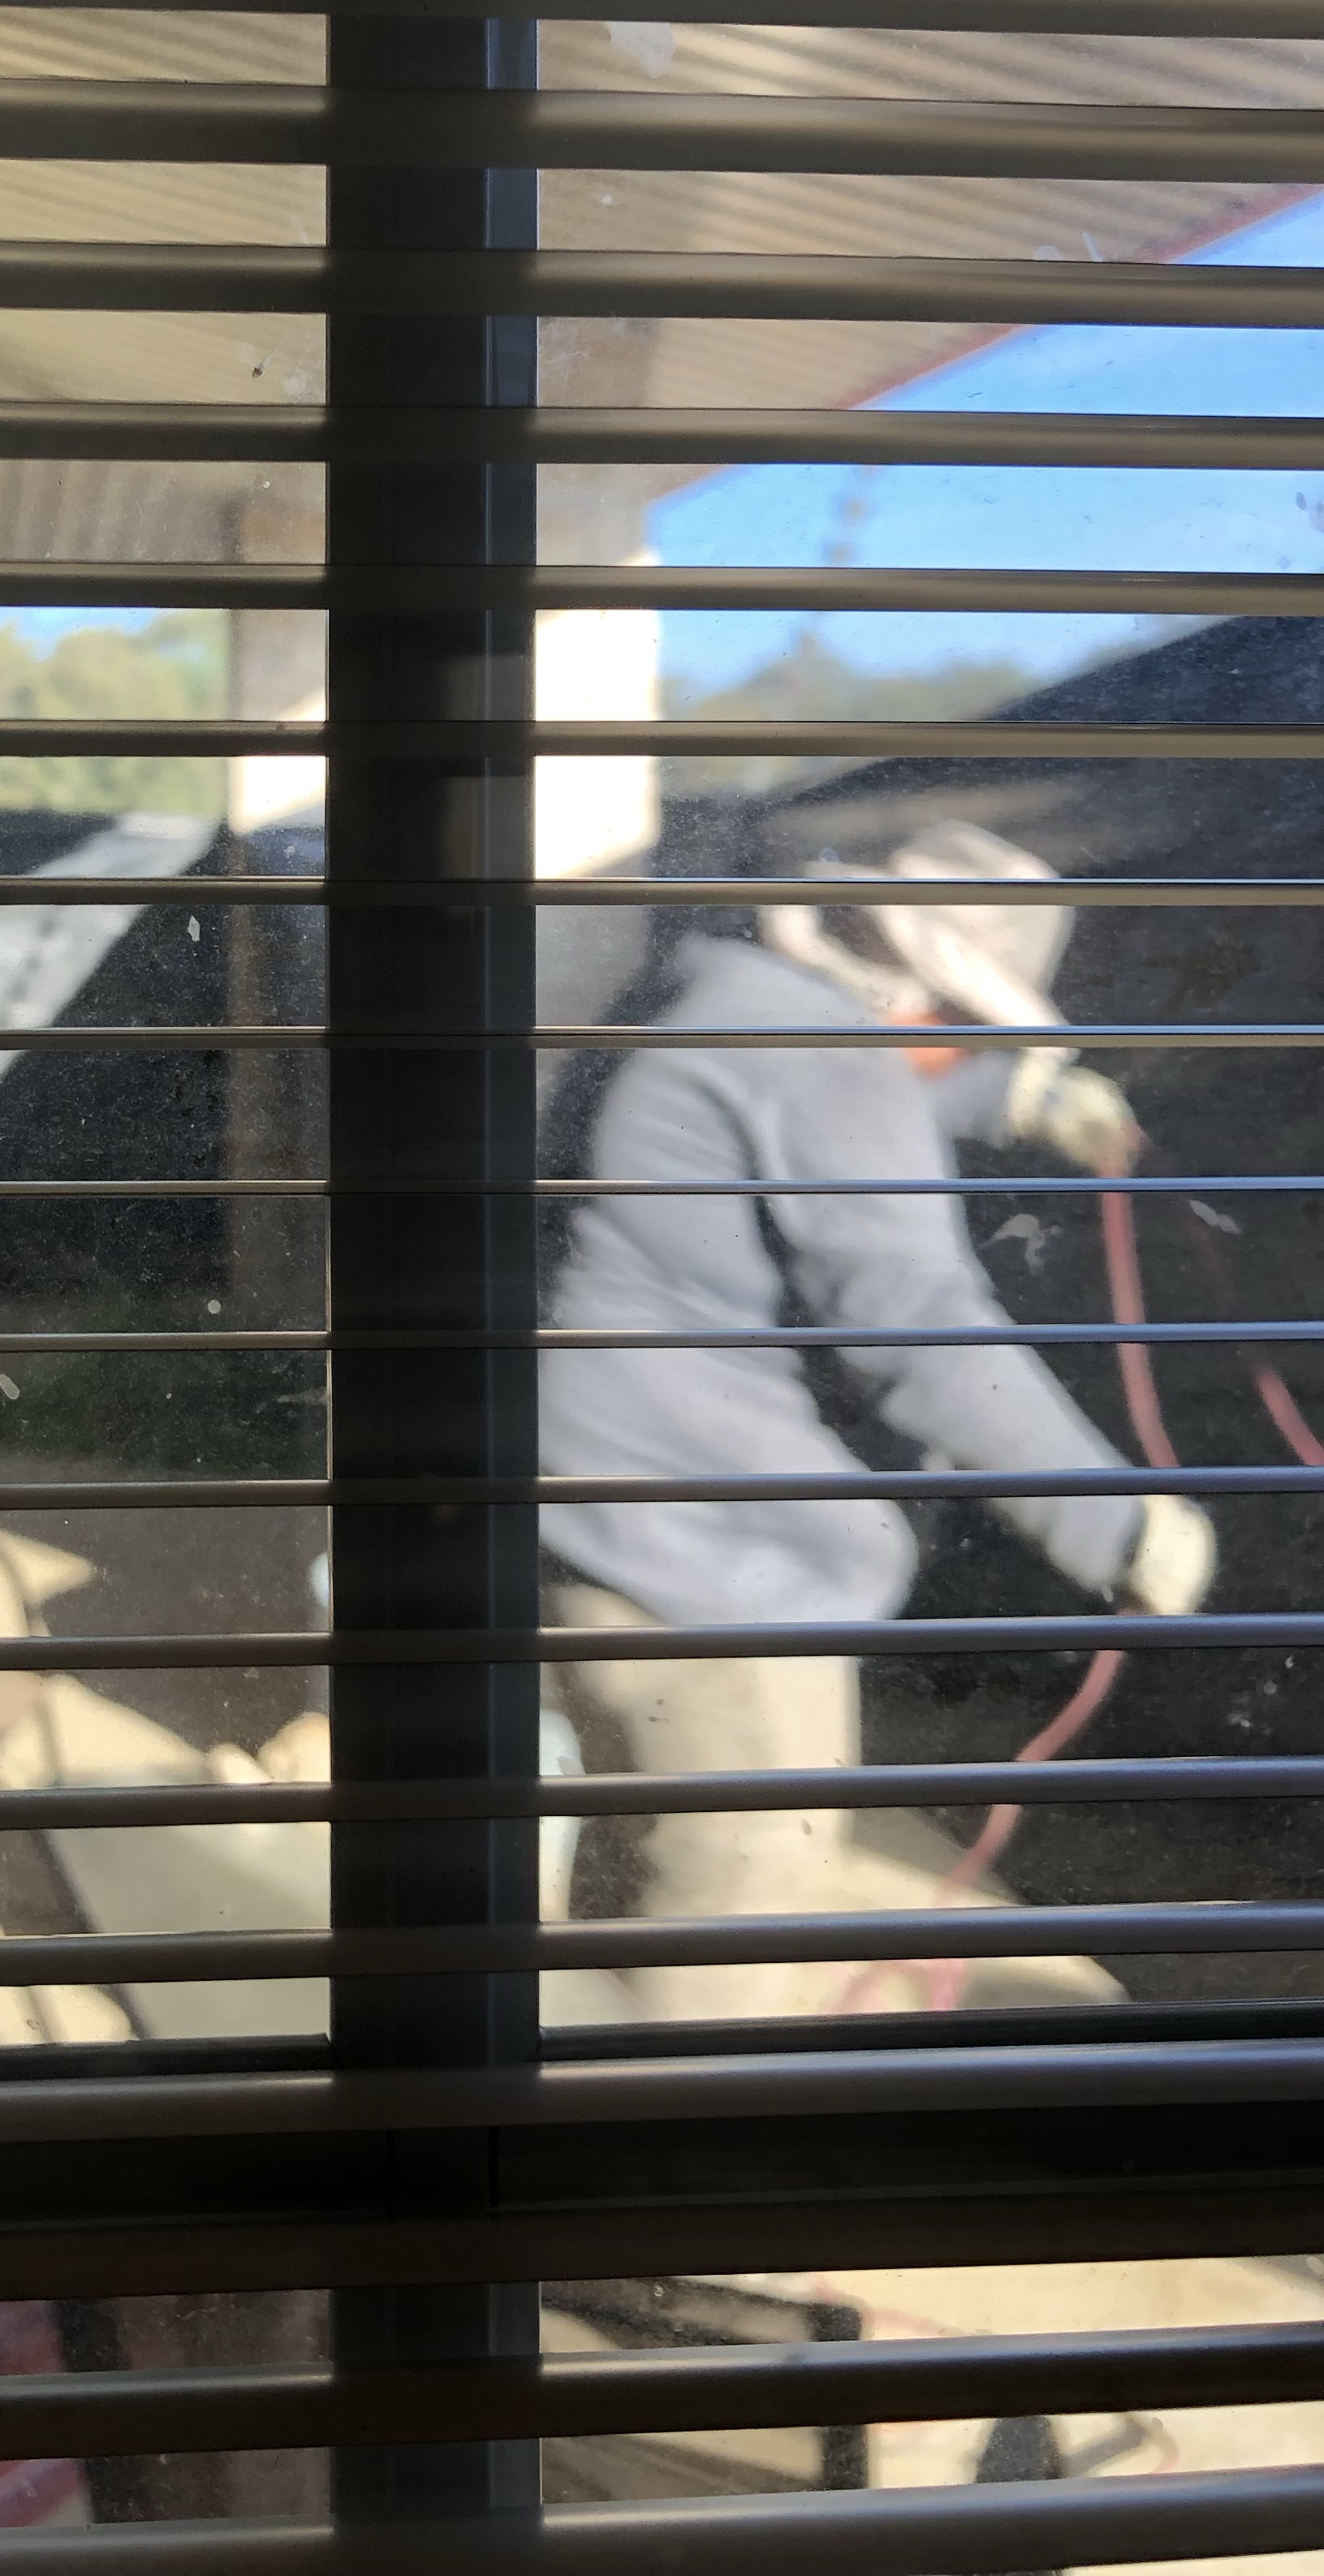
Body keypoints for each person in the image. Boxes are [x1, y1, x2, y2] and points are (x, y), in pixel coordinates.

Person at [538, 821, 1213, 2019]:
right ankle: (680, 2121)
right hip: (709, 1568)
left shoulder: (725, 992)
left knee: (642, 1862)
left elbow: (834, 1105)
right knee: (734, 1912)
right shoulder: (829, 1062)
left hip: (601, 1513)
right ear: (916, 982)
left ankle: (591, 2072)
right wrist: (1119, 1524)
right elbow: (920, 1329)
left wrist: (1017, 1096)